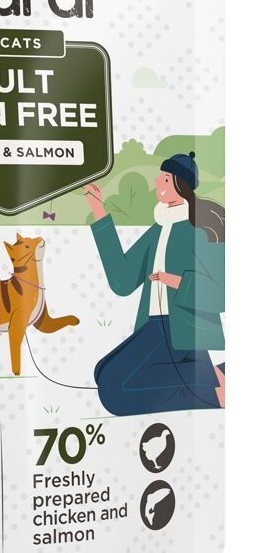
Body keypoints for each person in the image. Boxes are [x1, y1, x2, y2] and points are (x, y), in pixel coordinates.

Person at [84, 152, 225, 415]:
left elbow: (221, 293)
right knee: (101, 372)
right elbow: (122, 281)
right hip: (152, 325)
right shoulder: (158, 229)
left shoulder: (204, 230)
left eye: (165, 178)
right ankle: (209, 378)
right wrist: (99, 211)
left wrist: (177, 282)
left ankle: (212, 391)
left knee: (114, 392)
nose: (157, 181)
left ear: (180, 185)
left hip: (182, 331)